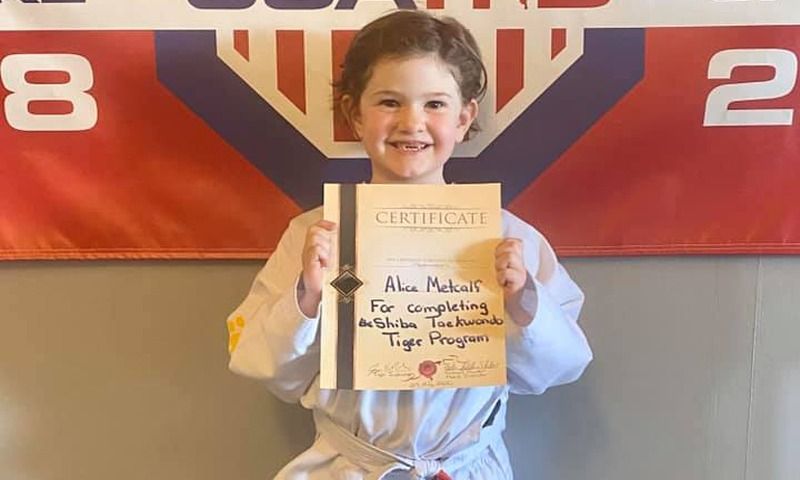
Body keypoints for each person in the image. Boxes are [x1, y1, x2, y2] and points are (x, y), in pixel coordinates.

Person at [226, 9, 592, 480]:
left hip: (464, 467)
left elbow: (563, 365)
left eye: (435, 104)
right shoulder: (316, 235)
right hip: (350, 465)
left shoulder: (507, 237)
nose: (411, 122)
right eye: (389, 102)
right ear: (355, 114)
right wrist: (307, 297)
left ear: (464, 117)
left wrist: (523, 300)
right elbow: (263, 366)